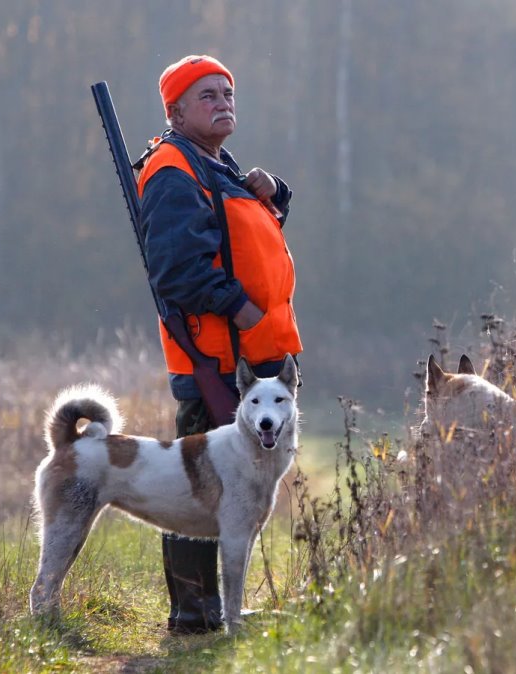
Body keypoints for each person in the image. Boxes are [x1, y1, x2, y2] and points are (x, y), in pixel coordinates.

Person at [136, 54, 303, 634]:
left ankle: (216, 608)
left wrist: (275, 192)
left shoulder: (217, 163)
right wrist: (241, 306)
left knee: (237, 490)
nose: (223, 101)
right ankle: (192, 610)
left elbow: (244, 239)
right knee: (195, 488)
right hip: (218, 359)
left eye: (228, 92)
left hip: (255, 361)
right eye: (207, 95)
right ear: (176, 111)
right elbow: (176, 269)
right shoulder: (173, 168)